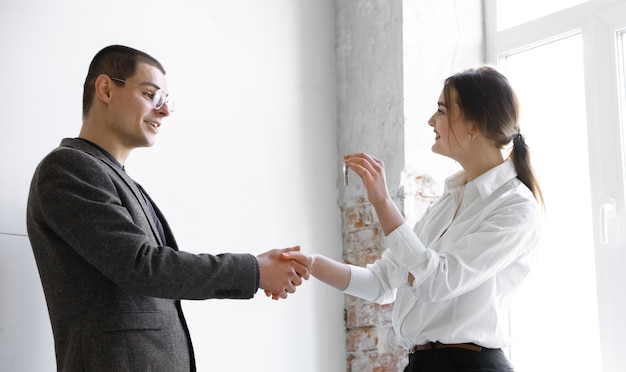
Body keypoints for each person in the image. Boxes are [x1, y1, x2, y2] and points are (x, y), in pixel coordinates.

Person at [26, 44, 309, 372]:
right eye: (150, 95)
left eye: (166, 101)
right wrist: (254, 271)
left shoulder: (122, 182)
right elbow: (142, 267)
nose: (164, 111)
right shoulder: (68, 168)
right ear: (105, 88)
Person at [282, 66, 543, 372]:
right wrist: (312, 264)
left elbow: (435, 282)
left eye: (442, 111)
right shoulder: (448, 202)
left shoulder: (516, 207)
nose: (431, 121)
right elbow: (381, 282)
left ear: (474, 126)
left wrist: (382, 201)